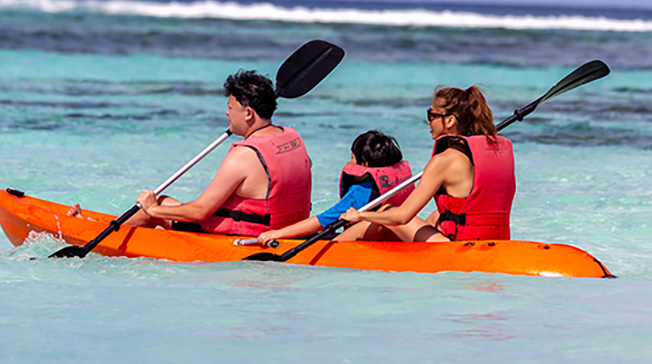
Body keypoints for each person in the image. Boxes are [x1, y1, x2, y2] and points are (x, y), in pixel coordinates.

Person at [125, 70, 313, 236]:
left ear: (248, 113)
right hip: (288, 229)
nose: (226, 113)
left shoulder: (243, 155)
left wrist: (153, 210)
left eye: (230, 108)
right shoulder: (292, 137)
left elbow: (200, 212)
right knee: (162, 208)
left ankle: (102, 241)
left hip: (249, 234)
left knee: (152, 206)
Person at [338, 85, 515, 242]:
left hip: (456, 245)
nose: (428, 121)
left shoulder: (443, 161)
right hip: (494, 238)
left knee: (387, 211)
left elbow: (403, 216)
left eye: (432, 115)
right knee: (437, 216)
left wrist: (360, 214)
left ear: (450, 120)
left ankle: (331, 247)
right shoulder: (489, 154)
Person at [254, 130, 413, 244]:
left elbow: (321, 220)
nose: (350, 163)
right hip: (392, 236)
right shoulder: (397, 181)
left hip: (362, 240)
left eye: (352, 158)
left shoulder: (360, 192)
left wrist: (278, 233)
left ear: (364, 165)